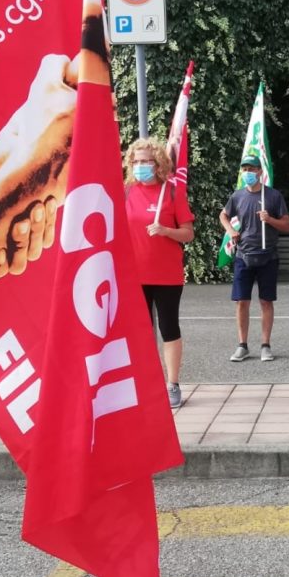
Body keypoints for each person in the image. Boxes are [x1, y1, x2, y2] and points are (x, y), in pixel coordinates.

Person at [123, 137, 194, 409]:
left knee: (168, 328)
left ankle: (173, 384)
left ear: (158, 164)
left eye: (146, 161)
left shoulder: (173, 192)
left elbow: (188, 234)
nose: (141, 166)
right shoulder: (126, 191)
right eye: (137, 161)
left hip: (166, 275)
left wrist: (166, 231)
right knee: (139, 332)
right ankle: (143, 385)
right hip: (133, 275)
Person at [222, 155, 289, 362]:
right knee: (241, 302)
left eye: (252, 169)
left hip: (268, 256)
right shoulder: (237, 196)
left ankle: (265, 345)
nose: (248, 173)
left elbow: (287, 226)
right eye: (245, 169)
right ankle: (242, 345)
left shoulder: (273, 196)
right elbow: (223, 215)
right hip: (244, 255)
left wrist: (269, 219)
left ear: (261, 172)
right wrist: (230, 230)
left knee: (266, 301)